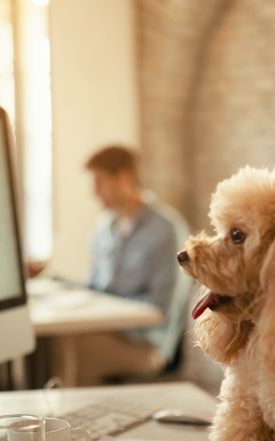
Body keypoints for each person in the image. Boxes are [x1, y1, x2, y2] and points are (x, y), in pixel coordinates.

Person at [53, 145, 190, 386]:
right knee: (52, 342)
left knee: (63, 351)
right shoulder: (103, 228)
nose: (94, 193)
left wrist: (108, 315)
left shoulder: (167, 230)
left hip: (147, 345)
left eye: (99, 183)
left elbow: (160, 309)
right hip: (104, 331)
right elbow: (94, 287)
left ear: (124, 179)